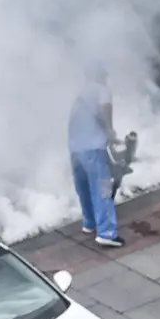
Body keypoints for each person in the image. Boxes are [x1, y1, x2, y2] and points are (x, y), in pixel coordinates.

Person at [69, 81, 123, 249]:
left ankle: (90, 223)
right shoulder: (101, 89)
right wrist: (110, 131)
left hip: (75, 149)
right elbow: (104, 108)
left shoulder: (79, 91)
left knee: (83, 187)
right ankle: (106, 233)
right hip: (93, 148)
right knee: (103, 188)